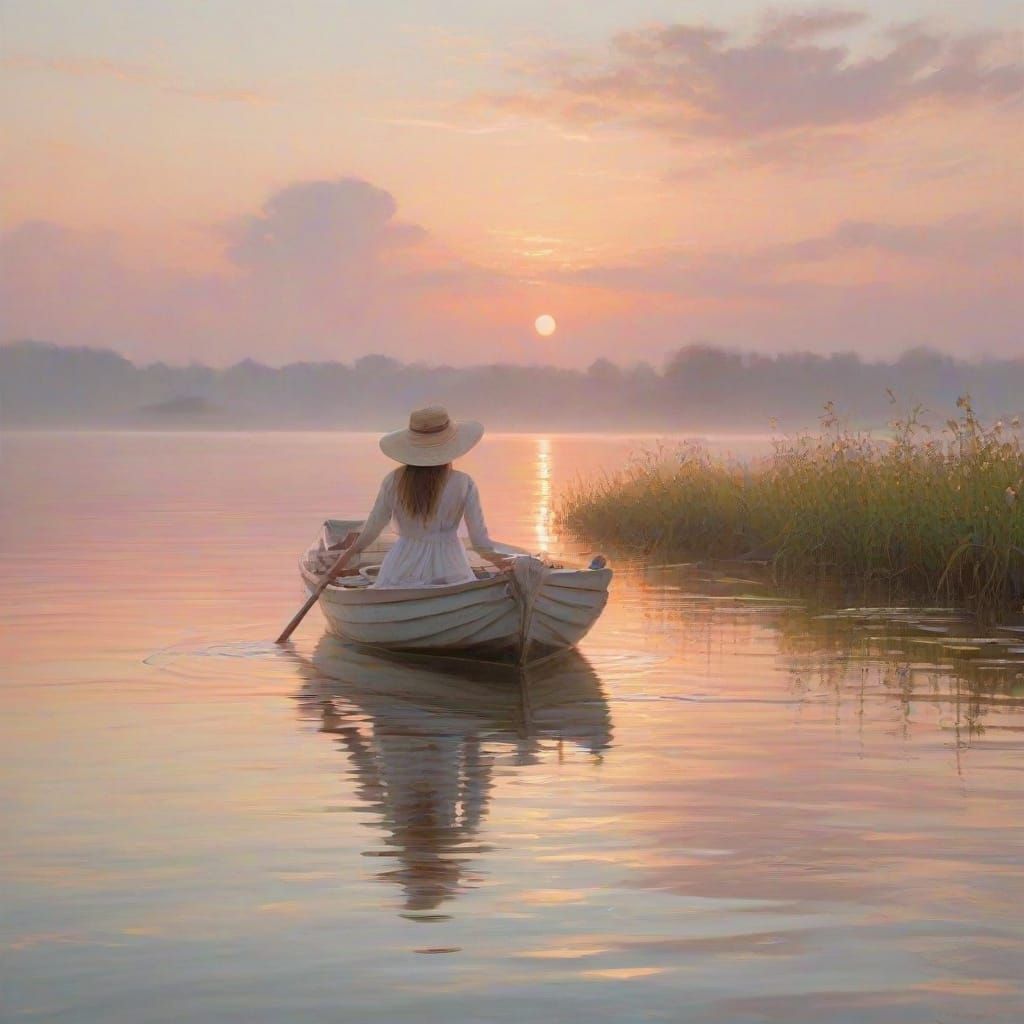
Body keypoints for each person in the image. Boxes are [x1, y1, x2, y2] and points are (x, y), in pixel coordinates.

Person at [327, 405, 508, 588]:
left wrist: (341, 562)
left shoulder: (393, 481)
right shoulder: (464, 483)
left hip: (401, 570)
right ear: (451, 446)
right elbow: (480, 542)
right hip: (451, 570)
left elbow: (372, 530)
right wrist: (502, 564)